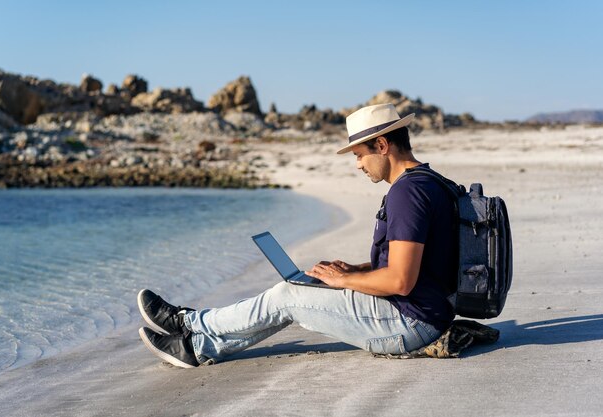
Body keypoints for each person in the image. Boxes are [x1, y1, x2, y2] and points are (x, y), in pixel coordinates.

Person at [137, 103, 456, 368]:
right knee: (294, 288)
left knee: (287, 296)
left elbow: (401, 281)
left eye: (359, 154)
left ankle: (190, 326)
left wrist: (342, 282)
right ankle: (198, 340)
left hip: (410, 324)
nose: (358, 165)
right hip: (423, 312)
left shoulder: (407, 194)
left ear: (382, 145)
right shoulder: (428, 181)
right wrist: (357, 270)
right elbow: (419, 264)